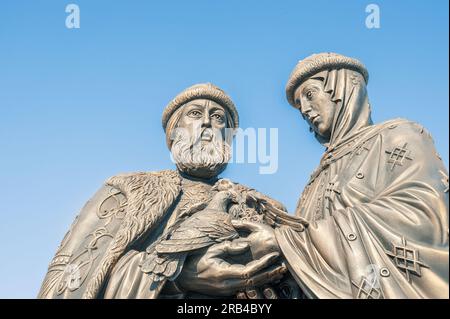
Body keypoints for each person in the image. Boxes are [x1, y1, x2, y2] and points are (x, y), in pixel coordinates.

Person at [231, 52, 449, 298]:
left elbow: (428, 216)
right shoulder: (316, 178)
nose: (304, 109)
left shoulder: (398, 136)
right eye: (299, 104)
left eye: (309, 94)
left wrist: (286, 243)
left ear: (342, 89)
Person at [38, 83, 287, 299]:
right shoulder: (127, 190)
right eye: (195, 113)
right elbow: (73, 278)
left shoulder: (257, 204)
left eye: (218, 117)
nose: (207, 123)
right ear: (174, 132)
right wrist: (177, 277)